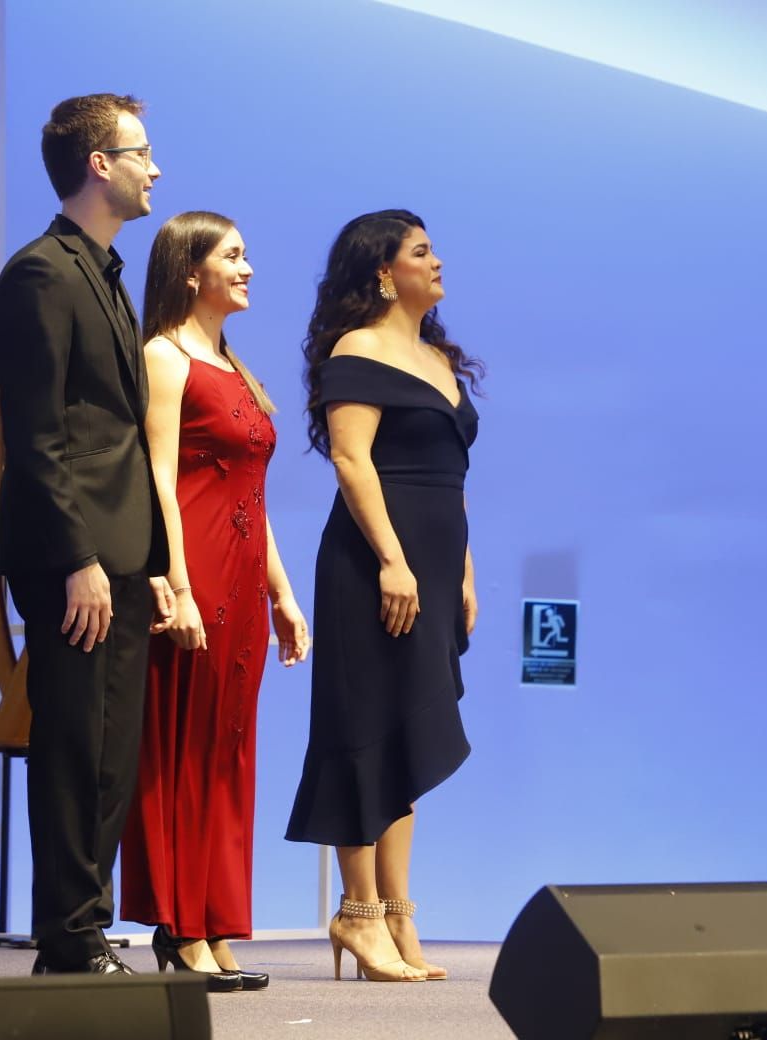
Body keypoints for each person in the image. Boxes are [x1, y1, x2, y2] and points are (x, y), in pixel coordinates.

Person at [0, 93, 175, 975]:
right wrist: (78, 560)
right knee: (70, 744)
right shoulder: (40, 274)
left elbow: (122, 430)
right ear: (98, 164)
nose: (155, 168)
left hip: (125, 549)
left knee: (111, 746)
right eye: (142, 152)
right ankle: (65, 931)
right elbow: (37, 438)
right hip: (76, 555)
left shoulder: (102, 270)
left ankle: (86, 924)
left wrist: (157, 562)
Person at [284, 210, 482, 983]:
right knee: (363, 727)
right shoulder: (357, 348)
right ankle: (357, 912)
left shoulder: (437, 357)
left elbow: (455, 481)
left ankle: (399, 912)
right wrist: (394, 562)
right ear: (381, 271)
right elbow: (350, 459)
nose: (437, 262)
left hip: (432, 566)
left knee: (407, 731)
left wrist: (461, 572)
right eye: (421, 252)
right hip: (373, 563)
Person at [120, 212, 310, 992]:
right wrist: (178, 583)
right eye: (234, 256)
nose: (249, 268)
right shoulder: (164, 357)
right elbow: (158, 478)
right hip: (193, 570)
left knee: (228, 749)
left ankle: (217, 920)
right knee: (181, 749)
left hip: (241, 574)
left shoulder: (233, 365)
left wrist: (283, 594)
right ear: (191, 271)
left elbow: (253, 496)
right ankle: (180, 926)